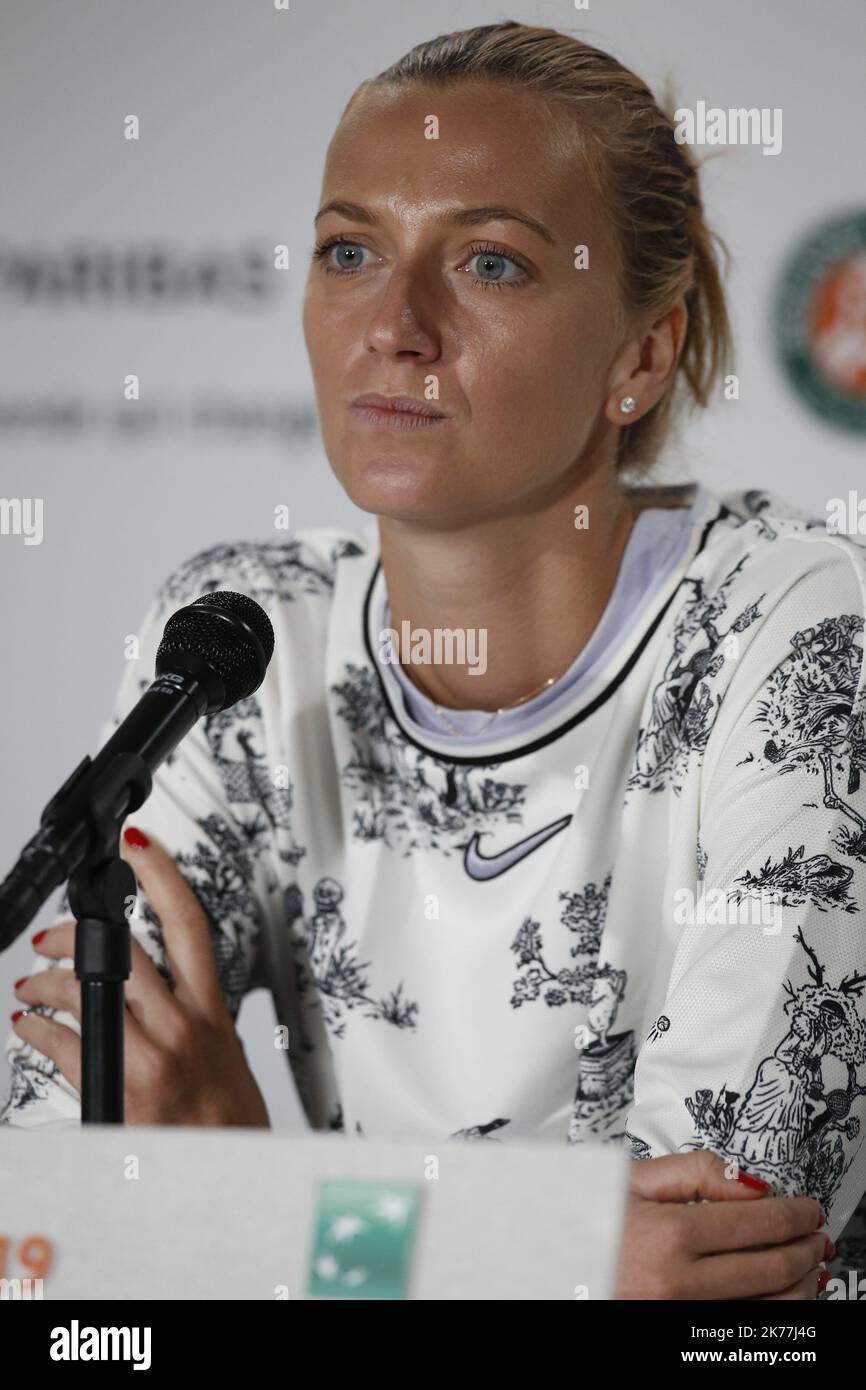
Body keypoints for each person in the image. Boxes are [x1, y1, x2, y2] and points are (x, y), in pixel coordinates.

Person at [4, 21, 863, 1301]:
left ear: (640, 354)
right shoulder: (237, 637)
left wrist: (241, 1193)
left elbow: (720, 1246)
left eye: (490, 263)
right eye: (350, 250)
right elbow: (51, 1236)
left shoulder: (794, 623)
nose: (393, 324)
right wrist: (533, 1247)